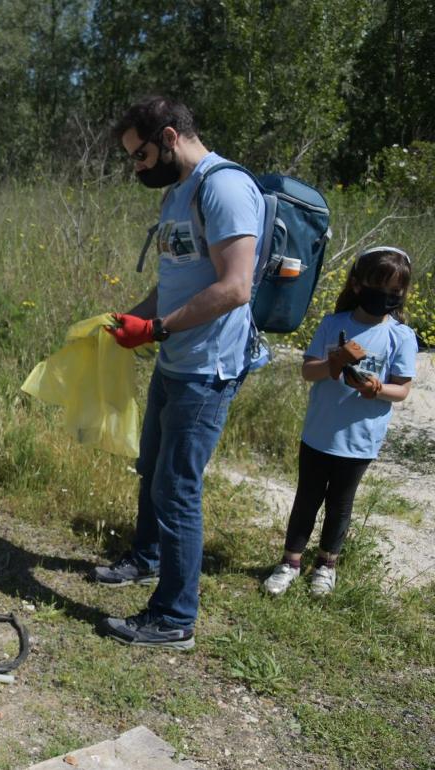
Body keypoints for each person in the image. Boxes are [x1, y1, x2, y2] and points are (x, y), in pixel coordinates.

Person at [92, 96, 265, 650]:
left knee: (177, 488)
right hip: (175, 360)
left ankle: (174, 617)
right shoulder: (177, 194)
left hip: (207, 368)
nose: (136, 168)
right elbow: (176, 282)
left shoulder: (224, 187)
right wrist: (141, 318)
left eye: (139, 155)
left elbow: (236, 286)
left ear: (168, 137)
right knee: (153, 470)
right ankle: (145, 558)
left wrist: (160, 328)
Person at [263, 247, 417, 597]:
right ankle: (289, 562)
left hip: (361, 440)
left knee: (340, 504)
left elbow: (402, 389)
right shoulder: (334, 324)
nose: (387, 298)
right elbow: (308, 371)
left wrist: (376, 388)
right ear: (359, 285)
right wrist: (336, 361)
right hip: (319, 433)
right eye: (380, 288)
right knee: (307, 498)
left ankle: (326, 566)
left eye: (395, 293)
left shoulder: (401, 336)